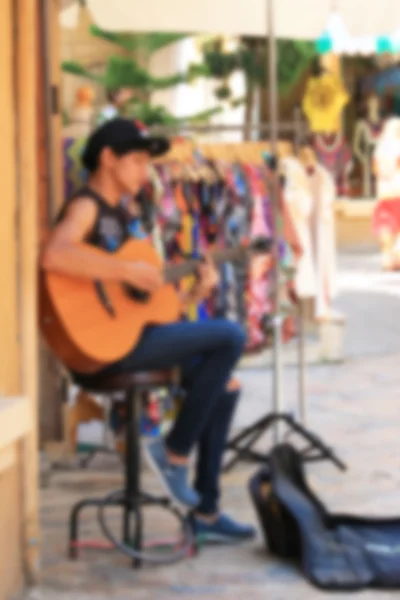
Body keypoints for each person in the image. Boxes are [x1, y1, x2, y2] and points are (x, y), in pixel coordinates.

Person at [41, 118, 256, 544]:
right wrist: (126, 270)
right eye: (137, 160)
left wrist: (196, 292)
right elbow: (55, 254)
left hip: (130, 340)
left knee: (226, 384)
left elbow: (150, 311)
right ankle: (175, 453)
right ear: (107, 159)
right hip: (103, 350)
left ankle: (207, 515)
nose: (146, 172)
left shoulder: (126, 220)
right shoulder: (87, 206)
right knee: (231, 335)